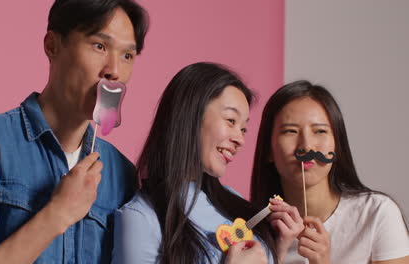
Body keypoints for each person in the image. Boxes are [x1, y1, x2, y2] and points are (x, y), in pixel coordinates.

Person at [0, 0, 149, 263]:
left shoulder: (122, 175)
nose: (114, 71)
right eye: (99, 46)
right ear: (52, 45)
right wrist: (56, 215)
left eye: (127, 56)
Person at [113, 62, 282, 264]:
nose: (240, 139)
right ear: (190, 115)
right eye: (231, 120)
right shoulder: (141, 219)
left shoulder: (233, 203)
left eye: (243, 128)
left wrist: (281, 246)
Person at [250, 80, 409, 264]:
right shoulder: (252, 231)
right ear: (269, 149)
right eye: (290, 131)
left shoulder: (376, 213)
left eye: (320, 131)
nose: (307, 146)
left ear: (337, 145)